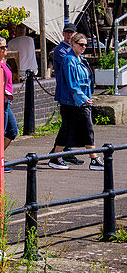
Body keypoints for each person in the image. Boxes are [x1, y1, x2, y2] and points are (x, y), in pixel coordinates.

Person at [50, 31, 102, 169]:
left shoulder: (81, 60)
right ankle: (94, 159)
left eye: (85, 45)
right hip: (73, 102)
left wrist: (87, 97)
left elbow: (87, 81)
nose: (83, 47)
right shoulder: (69, 60)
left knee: (69, 129)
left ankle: (55, 157)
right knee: (85, 128)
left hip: (80, 101)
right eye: (81, 44)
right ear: (73, 44)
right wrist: (83, 99)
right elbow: (72, 83)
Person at [50, 22, 83, 166]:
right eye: (67, 32)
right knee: (67, 124)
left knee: (71, 124)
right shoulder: (61, 50)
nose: (69, 35)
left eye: (72, 33)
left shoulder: (74, 50)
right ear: (63, 34)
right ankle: (57, 153)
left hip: (74, 92)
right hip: (65, 92)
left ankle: (64, 152)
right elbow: (70, 65)